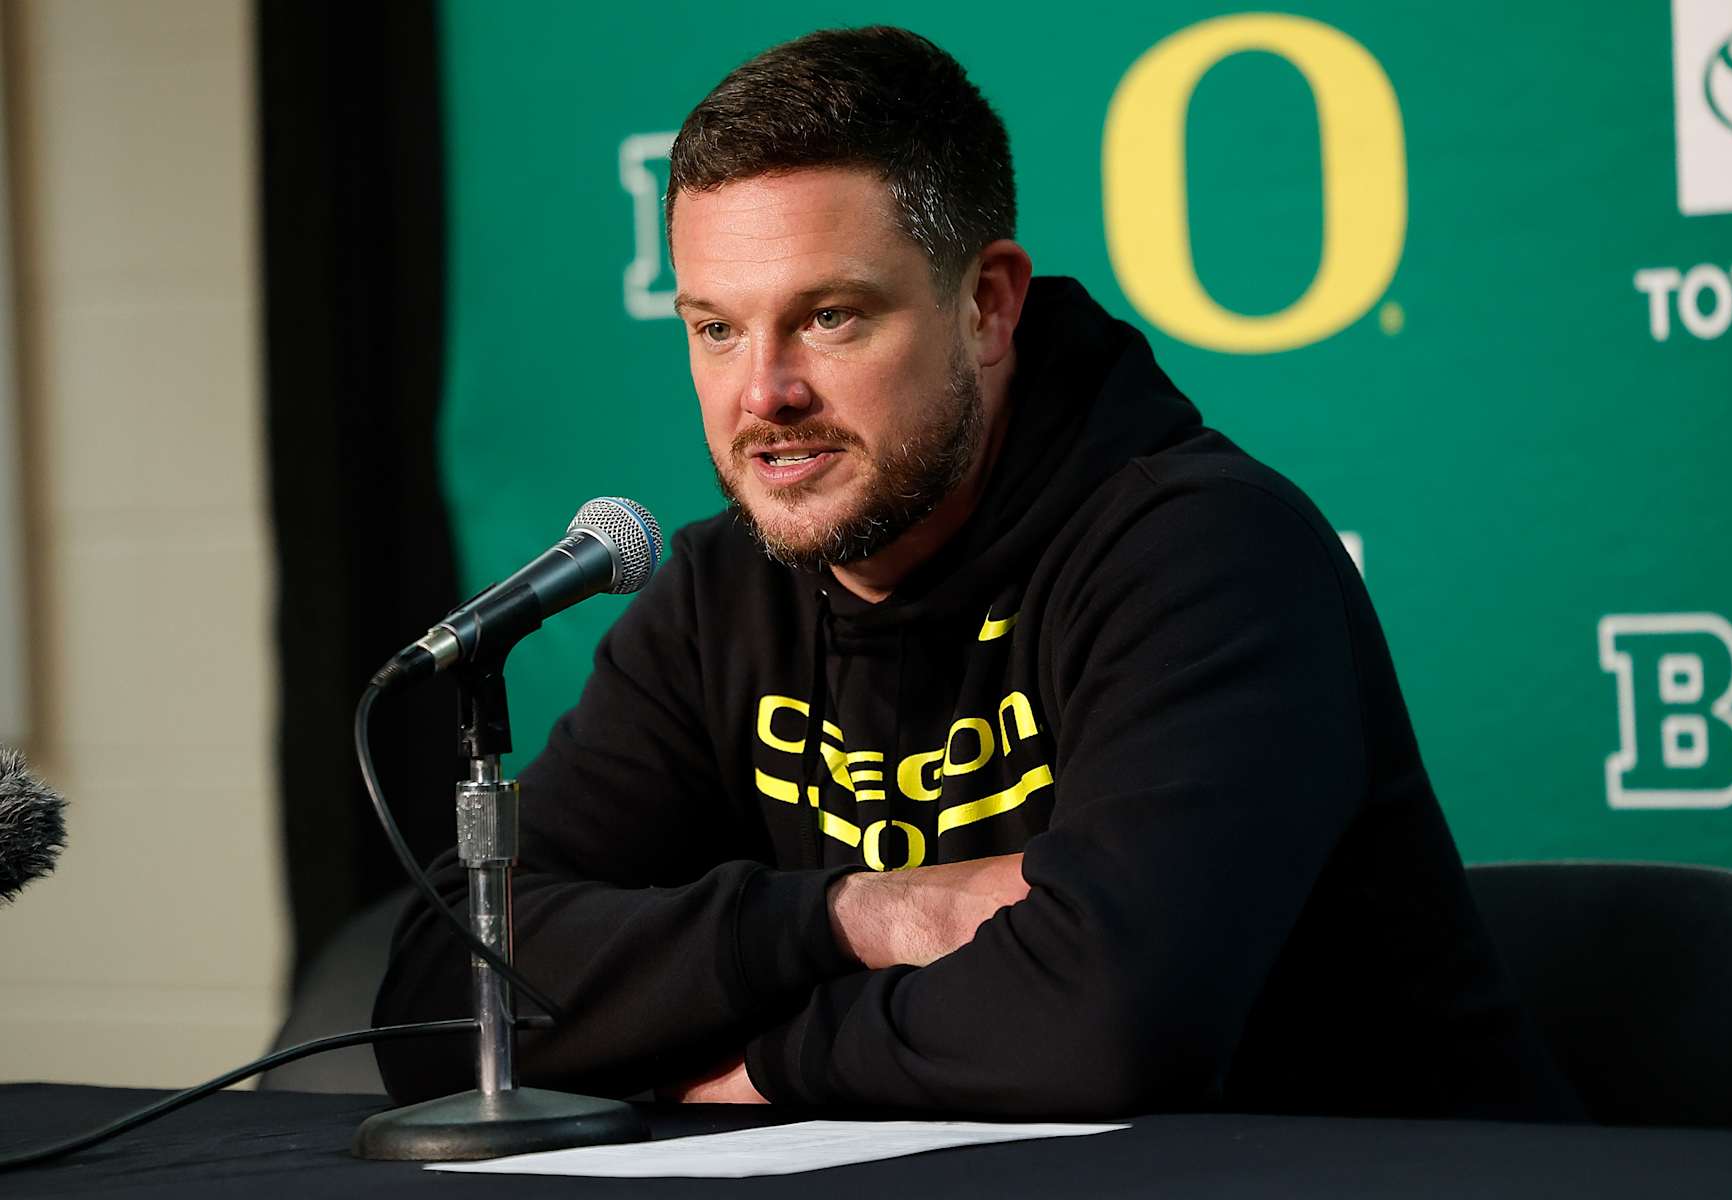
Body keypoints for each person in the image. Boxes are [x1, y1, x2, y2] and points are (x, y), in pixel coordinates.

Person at [375, 25, 1580, 1121]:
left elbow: (1109, 1029)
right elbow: (449, 1000)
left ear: (989, 306)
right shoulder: (716, 594)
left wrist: (770, 1062)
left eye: (832, 317)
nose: (762, 395)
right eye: (715, 327)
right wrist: (860, 915)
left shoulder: (1208, 556)